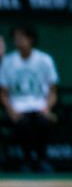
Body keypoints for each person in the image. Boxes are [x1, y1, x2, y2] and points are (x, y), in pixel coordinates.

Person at [0, 24, 58, 172]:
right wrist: (11, 111)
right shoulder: (7, 62)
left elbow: (52, 91)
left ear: (31, 39)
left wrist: (47, 108)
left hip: (39, 107)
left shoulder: (45, 60)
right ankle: (26, 160)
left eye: (23, 36)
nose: (19, 40)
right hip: (18, 108)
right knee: (23, 124)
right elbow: (4, 93)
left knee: (43, 122)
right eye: (16, 37)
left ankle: (42, 159)